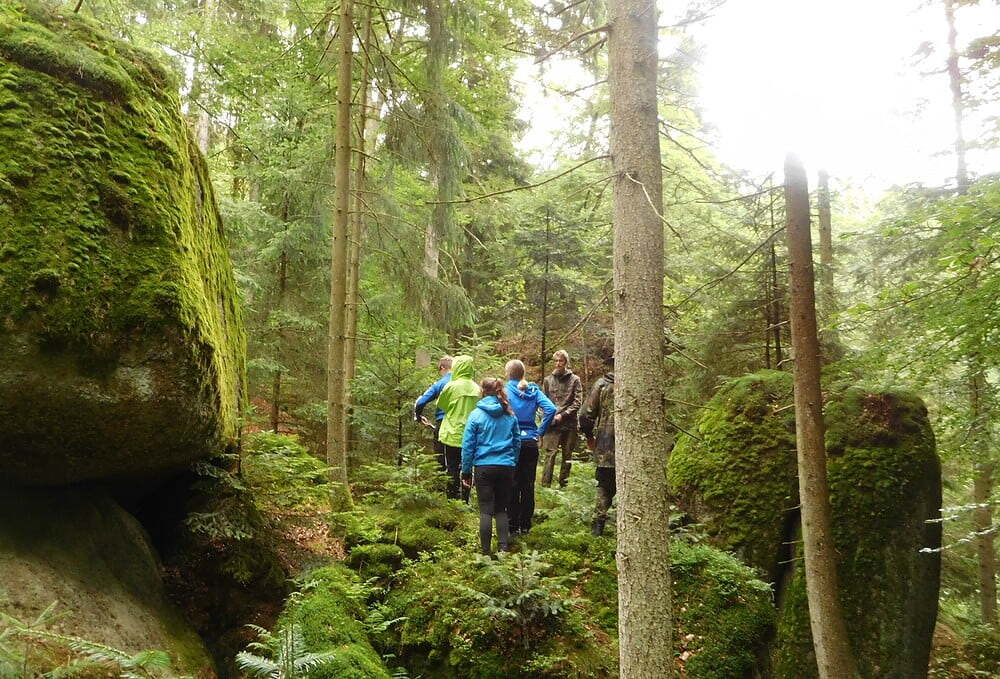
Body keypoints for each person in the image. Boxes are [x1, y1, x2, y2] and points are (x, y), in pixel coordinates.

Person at [461, 378, 521, 555]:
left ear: (482, 391)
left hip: (484, 467)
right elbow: (517, 442)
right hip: (506, 466)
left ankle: (486, 552)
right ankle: (503, 548)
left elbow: (468, 446)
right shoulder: (509, 414)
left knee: (486, 510)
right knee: (501, 509)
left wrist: (466, 471)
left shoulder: (475, 415)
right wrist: (512, 462)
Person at [504, 359, 556, 536]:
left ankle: (512, 526)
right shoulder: (533, 390)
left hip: (512, 441)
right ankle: (526, 525)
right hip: (530, 442)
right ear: (523, 374)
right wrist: (540, 431)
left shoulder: (505, 391)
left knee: (512, 483)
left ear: (508, 373)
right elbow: (551, 409)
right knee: (527, 484)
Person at [435, 355, 480, 502]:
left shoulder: (451, 386)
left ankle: (451, 498)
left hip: (452, 433)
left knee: (452, 466)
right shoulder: (477, 388)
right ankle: (465, 498)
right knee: (468, 467)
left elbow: (441, 405)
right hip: (471, 434)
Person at [579, 354, 615, 536]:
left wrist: (589, 437)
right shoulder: (641, 383)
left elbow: (586, 415)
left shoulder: (602, 385)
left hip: (606, 447)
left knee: (604, 486)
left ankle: (598, 526)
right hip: (631, 451)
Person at [541, 349, 583, 488]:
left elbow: (577, 402)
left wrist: (563, 415)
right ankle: (545, 486)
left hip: (569, 423)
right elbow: (542, 401)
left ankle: (563, 486)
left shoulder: (575, 380)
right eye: (556, 361)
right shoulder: (548, 380)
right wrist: (549, 416)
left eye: (561, 361)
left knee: (567, 455)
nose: (558, 363)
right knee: (550, 454)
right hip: (552, 423)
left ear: (566, 362)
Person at [413, 355, 453, 472]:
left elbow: (421, 402)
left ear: (442, 368)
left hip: (443, 423)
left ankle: (442, 482)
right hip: (463, 424)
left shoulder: (441, 383)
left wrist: (418, 416)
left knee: (441, 459)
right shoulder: (467, 384)